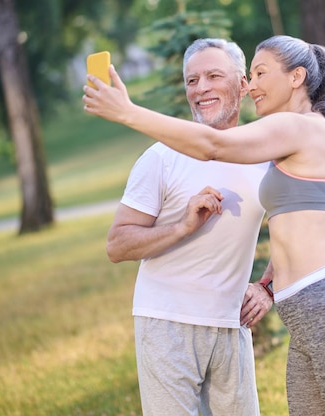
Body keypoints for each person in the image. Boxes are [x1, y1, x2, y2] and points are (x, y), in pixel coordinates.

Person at [84, 35, 325, 415]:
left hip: (317, 314)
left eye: (260, 73)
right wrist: (275, 283)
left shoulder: (295, 131)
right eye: (192, 81)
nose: (253, 85)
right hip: (295, 318)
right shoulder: (292, 146)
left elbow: (213, 146)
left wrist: (128, 112)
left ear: (295, 77)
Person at [102, 39, 273, 415]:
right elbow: (117, 245)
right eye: (192, 80)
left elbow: (299, 227)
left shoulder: (264, 155)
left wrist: (268, 287)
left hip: (232, 325)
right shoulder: (161, 158)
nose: (201, 88)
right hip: (166, 325)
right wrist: (181, 226)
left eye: (214, 76)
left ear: (243, 85)